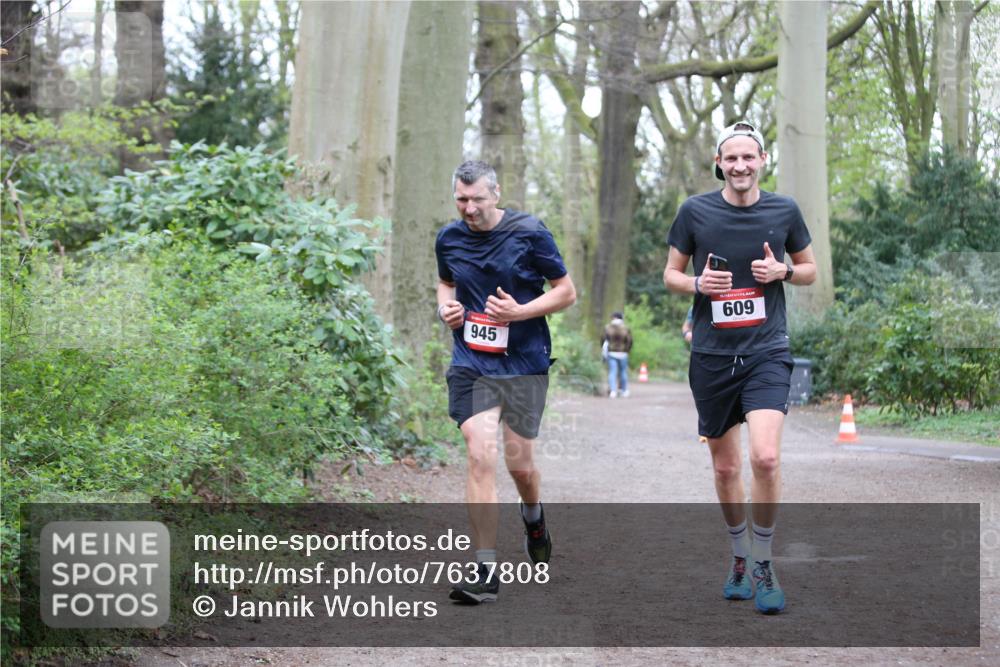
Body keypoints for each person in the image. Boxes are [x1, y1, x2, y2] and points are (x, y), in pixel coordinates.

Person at [663, 121, 817, 614]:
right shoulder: (695, 211)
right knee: (726, 465)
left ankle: (766, 562)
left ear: (763, 160)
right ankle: (738, 555)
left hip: (768, 351)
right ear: (719, 162)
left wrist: (784, 272)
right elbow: (670, 274)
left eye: (749, 157)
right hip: (711, 356)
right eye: (731, 158)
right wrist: (697, 286)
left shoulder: (784, 210)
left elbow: (811, 269)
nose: (740, 166)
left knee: (766, 458)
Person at [435, 160, 576, 604]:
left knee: (520, 466)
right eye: (461, 199)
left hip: (524, 361)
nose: (469, 208)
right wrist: (447, 309)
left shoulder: (530, 232)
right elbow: (445, 282)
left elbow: (566, 292)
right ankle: (485, 567)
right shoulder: (449, 237)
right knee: (479, 450)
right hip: (471, 360)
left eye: (477, 199)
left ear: (496, 193)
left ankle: (533, 516)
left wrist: (520, 312)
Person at [602, 311, 633, 398]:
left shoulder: (607, 328)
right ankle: (624, 391)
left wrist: (605, 351)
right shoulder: (626, 328)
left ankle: (613, 391)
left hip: (611, 352)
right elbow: (629, 341)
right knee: (623, 372)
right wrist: (627, 350)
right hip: (623, 353)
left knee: (612, 372)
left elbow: (603, 340)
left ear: (613, 318)